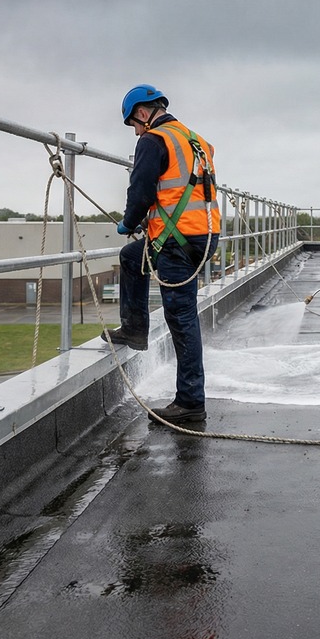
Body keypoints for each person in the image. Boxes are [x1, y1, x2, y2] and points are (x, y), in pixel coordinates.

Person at [104, 84, 221, 423]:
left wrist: (129, 222)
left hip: (176, 242)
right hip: (202, 235)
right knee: (131, 257)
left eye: (133, 125)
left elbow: (140, 190)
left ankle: (190, 402)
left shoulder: (153, 140)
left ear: (142, 113)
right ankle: (134, 328)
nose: (136, 131)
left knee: (181, 319)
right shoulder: (196, 140)